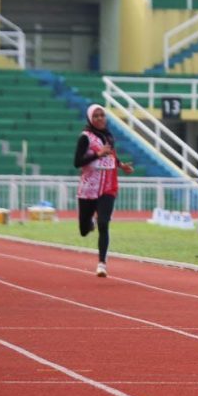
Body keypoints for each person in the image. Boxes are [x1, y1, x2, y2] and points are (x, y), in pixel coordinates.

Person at [74, 104, 134, 276]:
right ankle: (89, 223)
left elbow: (111, 155)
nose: (100, 118)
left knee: (104, 223)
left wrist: (121, 165)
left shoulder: (109, 136)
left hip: (108, 185)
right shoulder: (84, 137)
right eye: (96, 116)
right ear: (90, 119)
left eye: (102, 115)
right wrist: (97, 155)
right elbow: (77, 162)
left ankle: (102, 263)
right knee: (84, 230)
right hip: (88, 188)